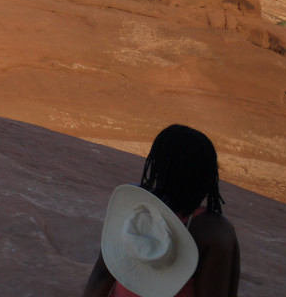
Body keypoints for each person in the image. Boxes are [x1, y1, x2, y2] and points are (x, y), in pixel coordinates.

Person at [82, 124, 240, 297]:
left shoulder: (132, 202)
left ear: (157, 165)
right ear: (207, 177)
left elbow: (102, 273)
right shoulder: (213, 230)